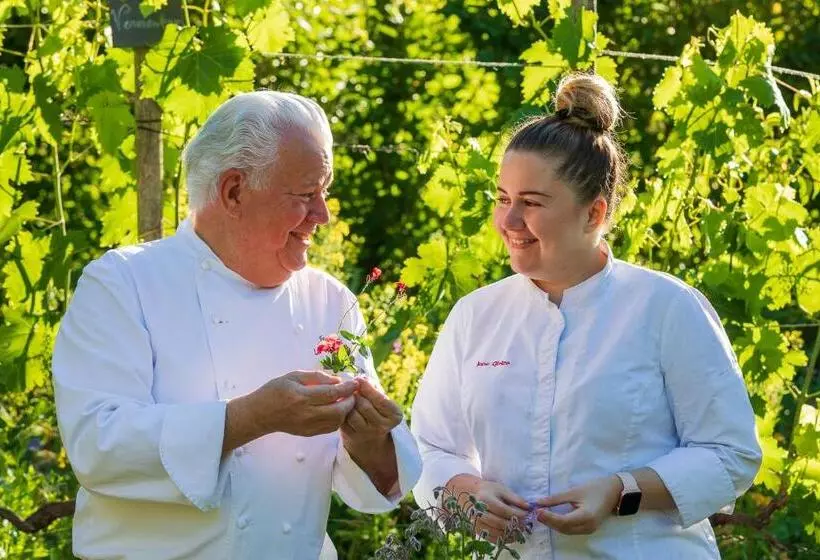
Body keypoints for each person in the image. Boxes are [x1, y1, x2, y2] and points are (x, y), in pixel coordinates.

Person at [52, 91, 421, 560]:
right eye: (307, 195)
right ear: (233, 192)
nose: (323, 215)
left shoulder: (330, 301)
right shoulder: (124, 284)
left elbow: (369, 484)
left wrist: (368, 437)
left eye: (324, 192)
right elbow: (97, 445)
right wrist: (250, 417)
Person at [410, 74, 762, 558]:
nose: (508, 221)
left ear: (594, 214)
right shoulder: (475, 316)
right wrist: (460, 487)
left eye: (531, 203)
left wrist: (623, 491)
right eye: (503, 199)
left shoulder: (667, 308)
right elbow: (428, 448)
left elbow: (731, 455)